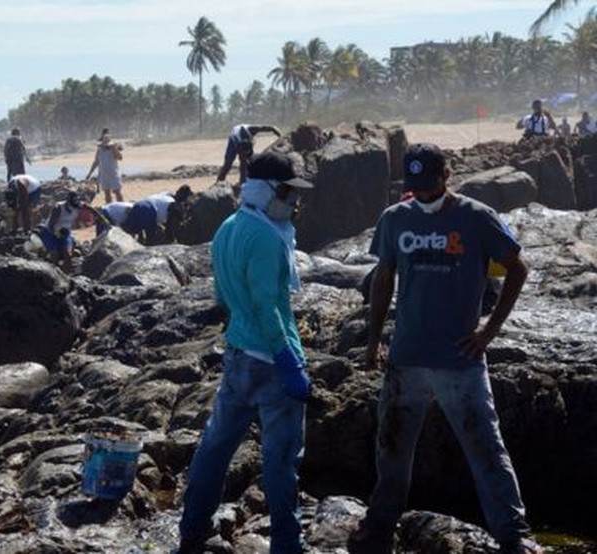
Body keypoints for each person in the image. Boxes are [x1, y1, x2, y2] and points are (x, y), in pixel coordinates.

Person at [349, 143, 541, 554]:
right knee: (393, 445)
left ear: (447, 175)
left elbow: (518, 268)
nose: (423, 194)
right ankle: (381, 524)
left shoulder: (477, 218)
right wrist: (373, 341)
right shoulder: (395, 219)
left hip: (461, 359)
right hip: (406, 358)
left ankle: (515, 535)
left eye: (430, 185)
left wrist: (489, 330)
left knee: (485, 445)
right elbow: (384, 277)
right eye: (415, 187)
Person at [178, 151, 314, 554]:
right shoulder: (267, 239)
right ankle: (287, 544)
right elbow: (267, 305)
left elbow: (223, 293)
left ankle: (192, 530)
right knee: (280, 459)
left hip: (237, 354)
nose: (294, 202)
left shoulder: (228, 227)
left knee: (215, 446)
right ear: (267, 190)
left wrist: (238, 331)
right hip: (273, 361)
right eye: (289, 192)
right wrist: (289, 361)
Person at [123, 185, 193, 245]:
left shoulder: (166, 194)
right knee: (151, 240)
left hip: (139, 204)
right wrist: (171, 239)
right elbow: (170, 225)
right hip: (149, 211)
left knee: (130, 231)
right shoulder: (173, 205)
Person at [216, 124, 282, 183]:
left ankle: (243, 182)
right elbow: (242, 160)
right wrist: (244, 157)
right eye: (245, 151)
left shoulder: (253, 129)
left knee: (247, 161)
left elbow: (272, 128)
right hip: (233, 141)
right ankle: (220, 180)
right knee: (229, 163)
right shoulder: (236, 140)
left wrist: (280, 135)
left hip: (243, 141)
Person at [85, 129, 124, 203]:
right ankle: (109, 208)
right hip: (103, 174)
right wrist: (90, 173)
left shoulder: (113, 147)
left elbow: (120, 158)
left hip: (113, 173)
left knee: (117, 192)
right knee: (107, 193)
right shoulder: (99, 149)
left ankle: (122, 206)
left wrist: (114, 149)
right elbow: (96, 162)